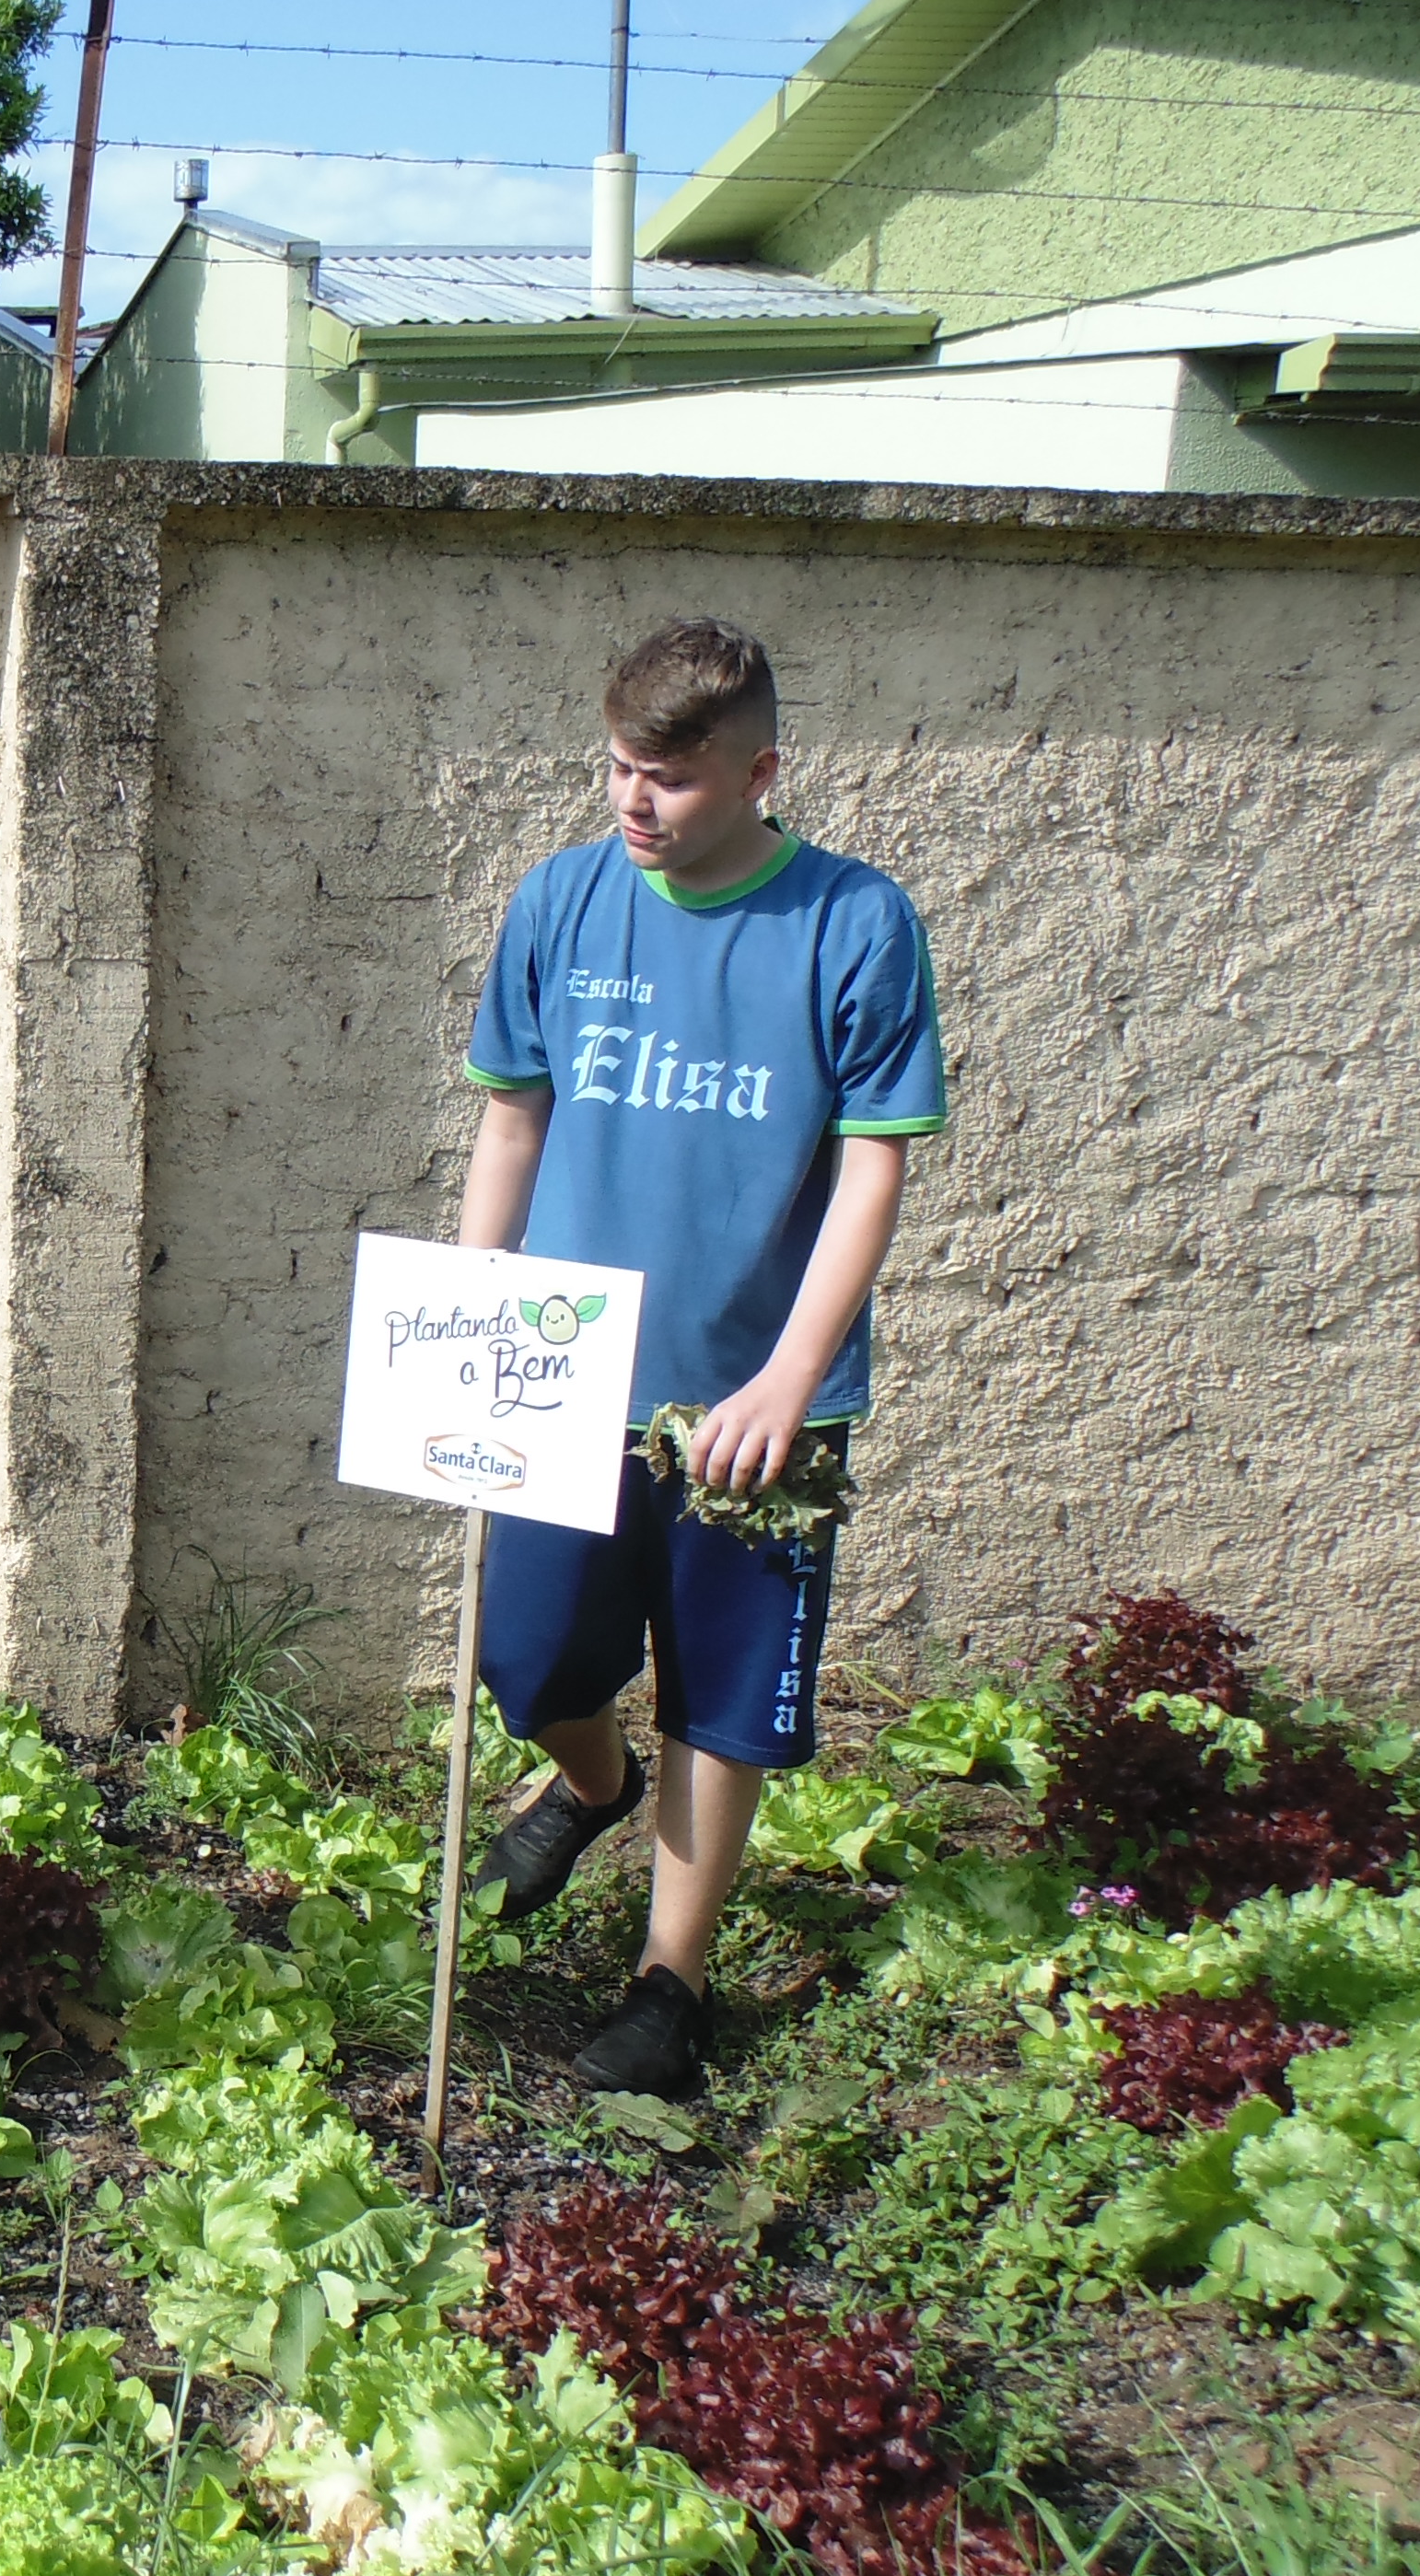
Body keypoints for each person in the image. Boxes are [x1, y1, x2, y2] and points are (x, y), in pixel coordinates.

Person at [454, 617, 945, 2101]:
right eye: (617, 767)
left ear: (758, 771)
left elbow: (873, 1168)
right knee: (524, 1657)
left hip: (754, 1403)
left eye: (667, 777)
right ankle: (587, 1786)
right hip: (565, 1378)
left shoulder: (857, 925)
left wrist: (791, 1379)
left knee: (717, 1705)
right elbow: (513, 1117)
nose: (633, 803)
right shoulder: (561, 900)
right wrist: (474, 1311)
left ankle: (672, 1987)